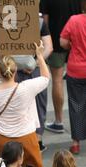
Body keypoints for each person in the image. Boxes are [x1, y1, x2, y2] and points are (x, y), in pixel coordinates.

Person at [0, 42, 50, 167]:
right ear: (15, 72)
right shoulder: (27, 88)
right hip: (26, 137)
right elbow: (45, 77)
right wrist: (39, 55)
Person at [41, 0, 81, 134]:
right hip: (76, 42)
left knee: (57, 80)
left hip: (56, 42)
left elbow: (44, 23)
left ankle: (59, 122)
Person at [15, 16, 53, 153]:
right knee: (39, 105)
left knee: (19, 105)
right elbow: (49, 46)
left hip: (15, 71)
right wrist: (36, 62)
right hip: (35, 70)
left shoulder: (6, 20)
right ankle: (37, 141)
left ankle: (24, 141)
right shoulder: (39, 21)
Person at [60, 2, 86, 155]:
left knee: (77, 105)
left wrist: (72, 45)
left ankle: (76, 143)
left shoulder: (74, 20)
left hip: (76, 70)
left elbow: (62, 42)